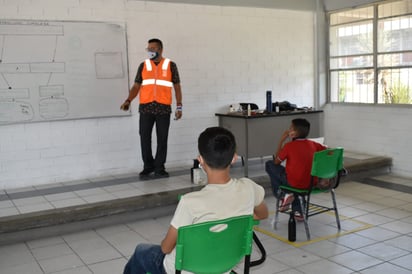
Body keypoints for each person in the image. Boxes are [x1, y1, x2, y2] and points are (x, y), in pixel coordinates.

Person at [123, 126, 269, 274]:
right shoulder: (249, 188)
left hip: (186, 270)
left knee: (141, 252)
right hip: (225, 264)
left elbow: (166, 248)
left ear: (201, 160)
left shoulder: (190, 202)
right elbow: (262, 214)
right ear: (234, 158)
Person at [121, 38, 182, 179]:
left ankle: (160, 167)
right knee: (144, 138)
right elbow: (136, 86)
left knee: (162, 139)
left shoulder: (170, 65)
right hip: (146, 109)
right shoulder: (143, 66)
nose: (150, 51)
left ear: (160, 49)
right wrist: (128, 100)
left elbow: (177, 87)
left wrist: (179, 106)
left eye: (152, 48)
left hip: (163, 109)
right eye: (148, 49)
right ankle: (148, 167)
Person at [265, 118, 326, 220]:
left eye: (291, 128)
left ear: (295, 133)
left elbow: (276, 162)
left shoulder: (289, 146)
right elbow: (327, 151)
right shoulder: (313, 144)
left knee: (269, 164)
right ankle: (299, 211)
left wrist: (281, 140)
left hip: (294, 182)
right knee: (296, 183)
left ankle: (283, 196)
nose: (288, 130)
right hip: (311, 182)